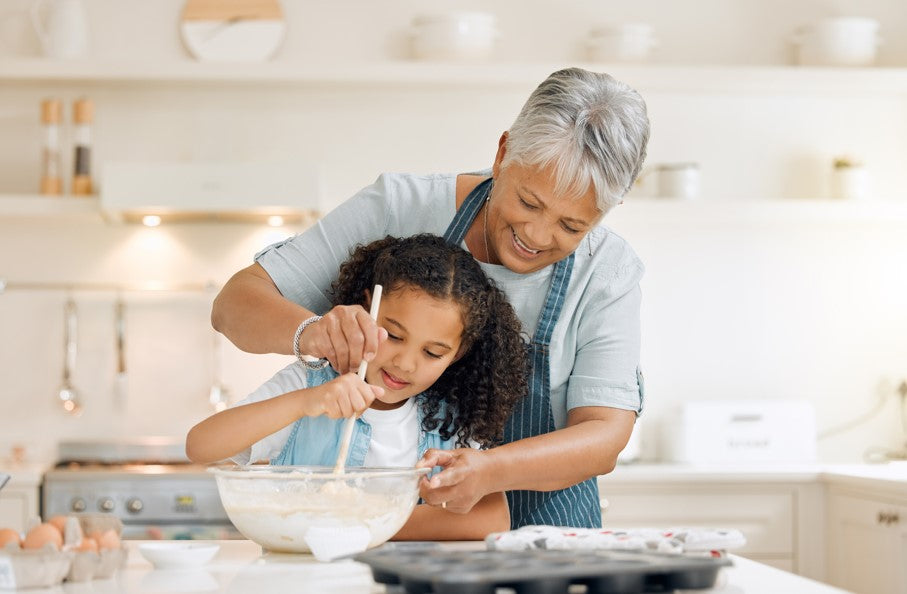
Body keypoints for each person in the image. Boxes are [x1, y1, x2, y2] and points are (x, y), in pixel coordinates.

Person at [212, 67, 650, 529]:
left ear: (607, 211)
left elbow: (604, 435)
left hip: (553, 532)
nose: (537, 236)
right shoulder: (398, 205)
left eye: (572, 226)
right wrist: (312, 333)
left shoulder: (607, 270)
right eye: (528, 202)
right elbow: (234, 304)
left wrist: (490, 470)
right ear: (502, 154)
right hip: (406, 534)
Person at [187, 234, 528, 540]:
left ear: (458, 354)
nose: (405, 363)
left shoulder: (450, 418)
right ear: (367, 310)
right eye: (393, 335)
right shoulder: (312, 382)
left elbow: (491, 518)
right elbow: (201, 446)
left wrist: (356, 521)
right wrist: (305, 403)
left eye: (432, 352)